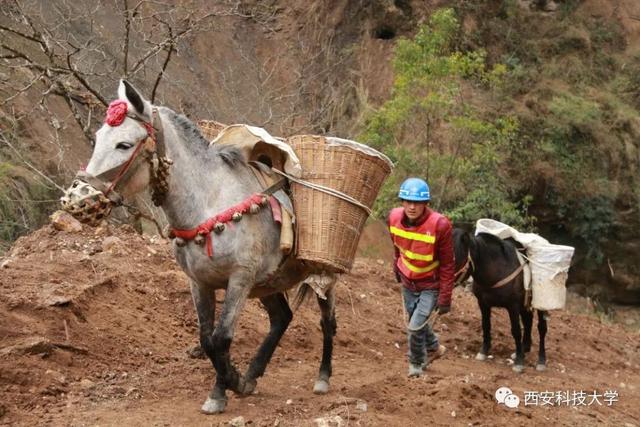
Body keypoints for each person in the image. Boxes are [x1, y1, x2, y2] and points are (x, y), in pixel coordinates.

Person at [387, 177, 455, 377]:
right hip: (408, 281)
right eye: (408, 201)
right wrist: (396, 268)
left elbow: (448, 264)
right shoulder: (392, 217)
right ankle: (434, 347)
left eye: (417, 202)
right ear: (402, 202)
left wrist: (445, 298)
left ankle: (416, 365)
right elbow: (397, 246)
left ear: (426, 204)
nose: (412, 207)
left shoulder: (440, 225)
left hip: (430, 284)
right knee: (417, 323)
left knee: (415, 327)